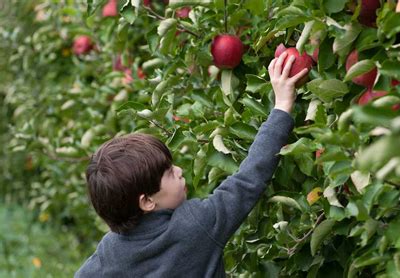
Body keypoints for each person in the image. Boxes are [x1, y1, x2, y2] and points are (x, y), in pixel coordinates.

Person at [75, 52, 308, 277]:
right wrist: (282, 106)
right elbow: (249, 180)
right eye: (168, 173)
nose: (179, 170)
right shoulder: (195, 225)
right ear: (147, 201)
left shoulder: (111, 253)